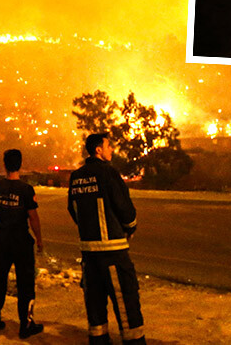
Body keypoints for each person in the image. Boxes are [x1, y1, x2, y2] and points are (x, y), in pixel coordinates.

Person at [68, 133, 146, 345]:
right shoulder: (108, 173)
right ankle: (134, 342)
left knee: (94, 301)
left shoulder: (76, 177)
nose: (112, 149)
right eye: (108, 146)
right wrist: (130, 227)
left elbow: (73, 209)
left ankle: (99, 341)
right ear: (98, 150)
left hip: (88, 253)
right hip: (113, 251)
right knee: (125, 298)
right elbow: (124, 206)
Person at [0, 148, 45, 338]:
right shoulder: (26, 190)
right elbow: (33, 218)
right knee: (25, 283)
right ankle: (25, 325)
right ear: (20, 165)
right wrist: (39, 240)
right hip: (21, 242)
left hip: (2, 241)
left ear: (4, 165)